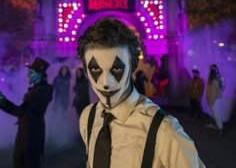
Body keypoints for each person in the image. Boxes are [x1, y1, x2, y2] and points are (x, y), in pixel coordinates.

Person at [77, 17, 205, 168]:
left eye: (117, 69)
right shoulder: (88, 118)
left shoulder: (164, 130)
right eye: (96, 69)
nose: (106, 83)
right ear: (85, 69)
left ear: (132, 65)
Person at [0, 57, 53, 168]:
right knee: (19, 160)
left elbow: (20, 111)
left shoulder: (42, 91)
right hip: (26, 129)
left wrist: (1, 99)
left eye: (31, 73)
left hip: (32, 131)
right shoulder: (36, 89)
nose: (28, 75)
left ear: (40, 74)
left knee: (29, 162)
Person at [206, 65, 224, 135]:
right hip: (215, 99)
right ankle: (219, 127)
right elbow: (209, 90)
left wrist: (210, 100)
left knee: (217, 114)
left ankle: (220, 128)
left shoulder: (217, 78)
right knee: (215, 114)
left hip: (215, 99)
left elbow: (221, 87)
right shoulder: (211, 79)